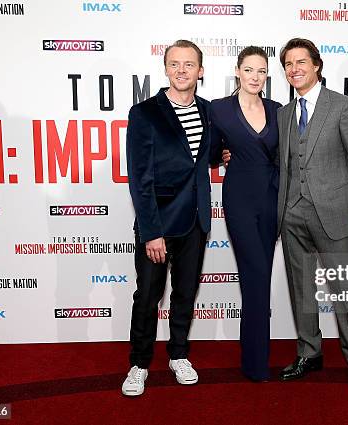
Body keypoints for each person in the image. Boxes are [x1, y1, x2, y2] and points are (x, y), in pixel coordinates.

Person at [276, 38, 348, 396]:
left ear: (316, 65)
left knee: (343, 289)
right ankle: (309, 352)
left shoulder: (343, 106)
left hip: (333, 212)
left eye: (301, 61)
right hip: (291, 214)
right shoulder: (284, 113)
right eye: (288, 63)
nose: (294, 69)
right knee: (301, 288)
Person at [122, 39, 211, 396]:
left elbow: (201, 157)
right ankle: (139, 363)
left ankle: (178, 355)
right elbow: (139, 177)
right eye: (174, 64)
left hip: (195, 221)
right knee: (147, 296)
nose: (181, 71)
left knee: (185, 294)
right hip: (157, 223)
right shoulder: (144, 113)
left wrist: (225, 154)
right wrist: (151, 231)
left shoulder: (208, 111)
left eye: (189, 65)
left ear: (200, 71)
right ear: (165, 69)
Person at [210, 46, 281, 381]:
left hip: (271, 200)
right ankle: (256, 363)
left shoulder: (278, 110)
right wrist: (223, 155)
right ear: (237, 71)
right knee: (254, 274)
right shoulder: (219, 109)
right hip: (238, 197)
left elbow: (285, 158)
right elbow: (210, 153)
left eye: (262, 71)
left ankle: (254, 355)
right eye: (250, 70)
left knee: (261, 276)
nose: (256, 77)